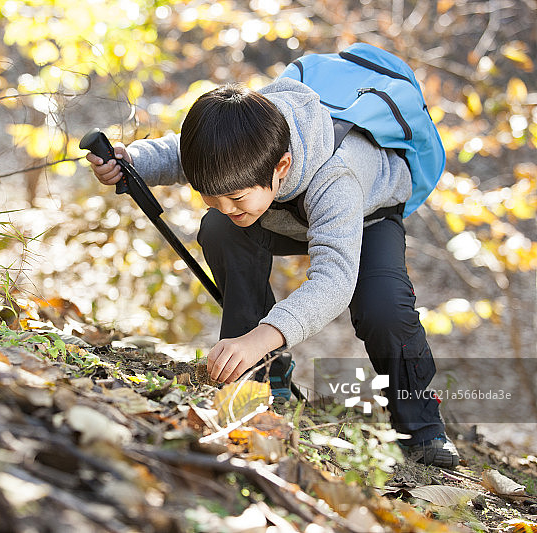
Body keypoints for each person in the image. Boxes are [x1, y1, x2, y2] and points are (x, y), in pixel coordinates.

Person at [86, 79, 459, 468]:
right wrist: (130, 160)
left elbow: (334, 282)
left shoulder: (337, 177)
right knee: (220, 228)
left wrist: (259, 337)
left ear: (281, 166)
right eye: (211, 195)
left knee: (383, 309)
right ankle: (263, 379)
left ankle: (422, 429)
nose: (223, 204)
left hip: (366, 217)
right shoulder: (242, 142)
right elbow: (182, 154)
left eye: (235, 197)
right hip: (280, 212)